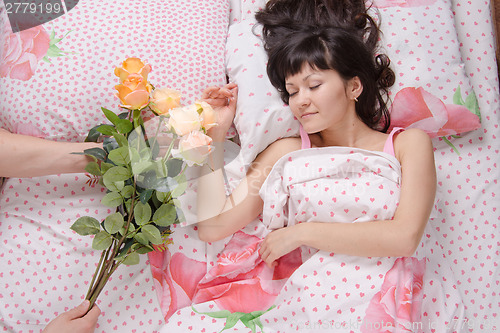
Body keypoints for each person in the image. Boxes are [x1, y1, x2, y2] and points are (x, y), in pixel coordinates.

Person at [190, 0, 436, 330]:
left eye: (314, 85)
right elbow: (211, 227)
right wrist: (215, 137)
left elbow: (404, 237)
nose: (300, 100)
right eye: (291, 91)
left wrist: (299, 234)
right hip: (309, 301)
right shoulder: (286, 153)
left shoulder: (408, 145)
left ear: (353, 86)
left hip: (385, 299)